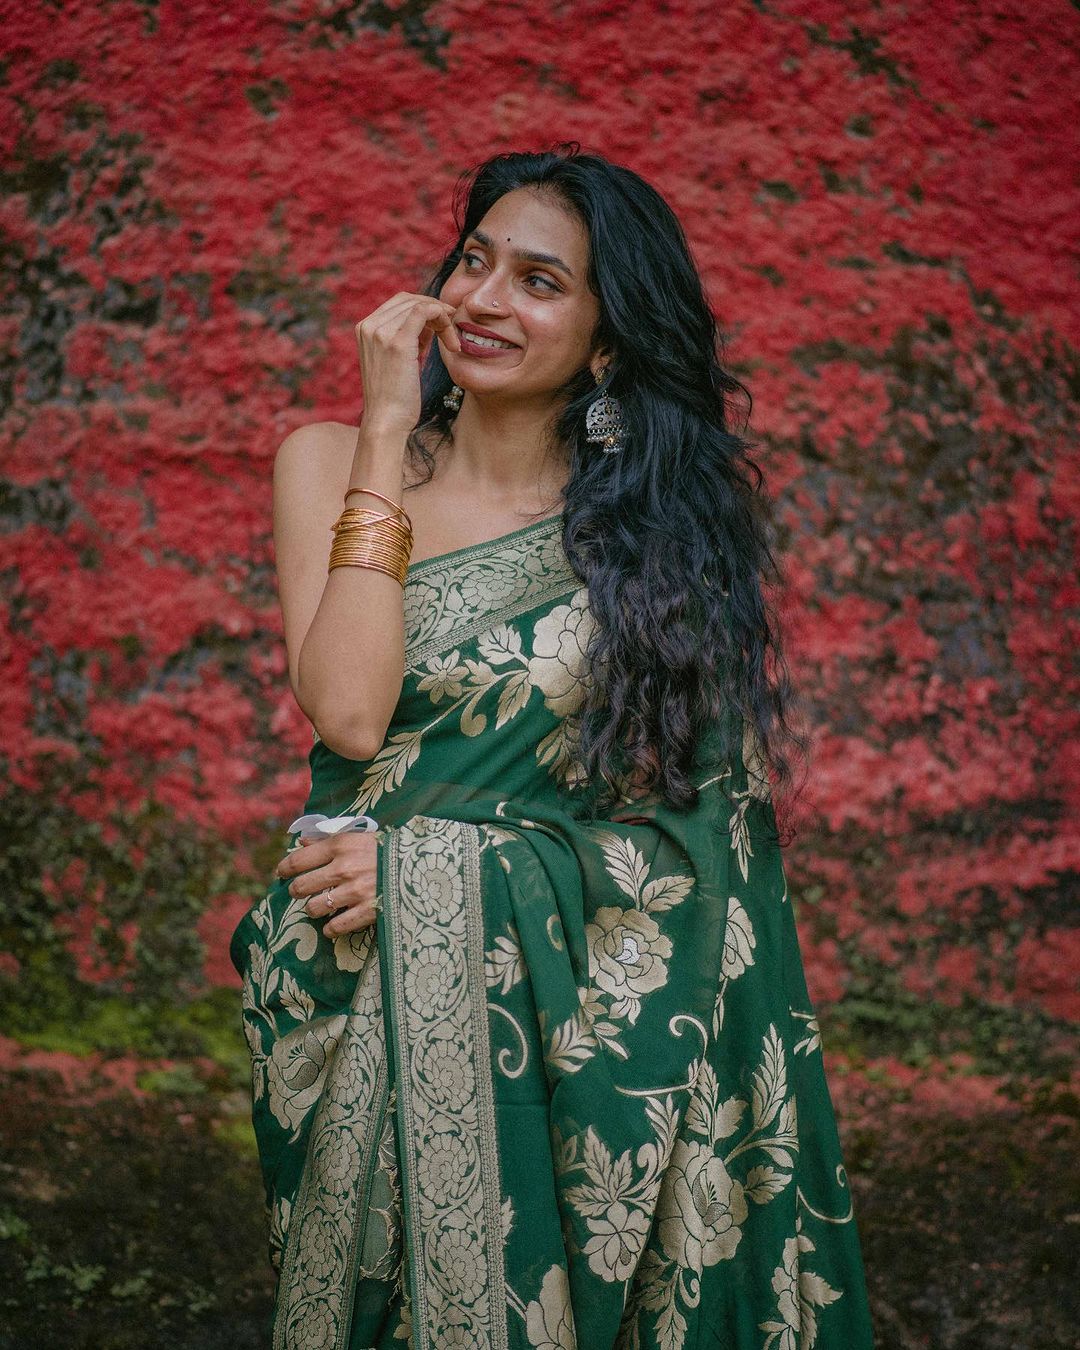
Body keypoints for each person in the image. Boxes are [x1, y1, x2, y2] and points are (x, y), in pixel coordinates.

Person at [230, 144, 875, 1349]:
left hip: (542, 997)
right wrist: (383, 429)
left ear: (608, 339)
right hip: (343, 965)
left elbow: (686, 843)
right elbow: (351, 714)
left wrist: (437, 875)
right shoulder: (325, 460)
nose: (480, 299)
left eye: (538, 281)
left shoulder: (654, 544)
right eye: (473, 261)